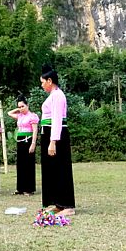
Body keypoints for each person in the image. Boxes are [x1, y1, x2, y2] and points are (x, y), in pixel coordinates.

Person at [40, 64, 75, 216]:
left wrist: (53, 141)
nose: (41, 85)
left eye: (42, 82)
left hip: (57, 135)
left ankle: (67, 205)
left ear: (49, 81)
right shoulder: (52, 96)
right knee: (53, 170)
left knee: (61, 169)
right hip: (48, 133)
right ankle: (57, 203)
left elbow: (57, 119)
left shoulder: (58, 95)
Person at [7, 95, 39, 196]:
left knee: (28, 164)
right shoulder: (20, 116)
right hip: (20, 141)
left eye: (22, 106)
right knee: (20, 165)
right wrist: (18, 108)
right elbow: (9, 113)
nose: (21, 108)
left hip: (28, 140)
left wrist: (33, 143)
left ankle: (29, 189)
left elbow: (35, 130)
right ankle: (20, 188)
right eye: (19, 107)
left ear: (27, 105)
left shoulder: (32, 116)